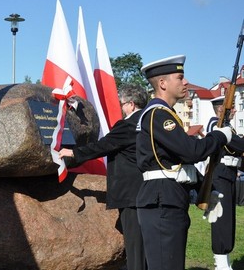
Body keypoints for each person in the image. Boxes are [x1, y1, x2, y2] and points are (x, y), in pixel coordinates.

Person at [136, 54, 232, 270]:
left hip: (168, 197)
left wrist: (202, 189)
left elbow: (178, 164)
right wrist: (219, 136)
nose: (186, 81)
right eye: (180, 77)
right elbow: (191, 152)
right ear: (162, 83)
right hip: (162, 200)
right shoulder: (158, 115)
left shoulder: (165, 115)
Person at [58, 83, 148, 270]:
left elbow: (104, 145)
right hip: (147, 190)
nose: (122, 108)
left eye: (122, 104)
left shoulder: (128, 125)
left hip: (131, 195)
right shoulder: (149, 121)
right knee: (145, 244)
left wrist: (74, 154)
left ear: (131, 104)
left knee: (135, 246)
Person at [205, 95, 244, 270]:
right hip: (219, 176)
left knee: (229, 219)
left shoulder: (228, 129)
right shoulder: (216, 125)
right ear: (222, 109)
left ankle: (225, 260)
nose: (235, 110)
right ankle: (220, 263)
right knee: (221, 218)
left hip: (230, 174)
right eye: (232, 107)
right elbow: (235, 146)